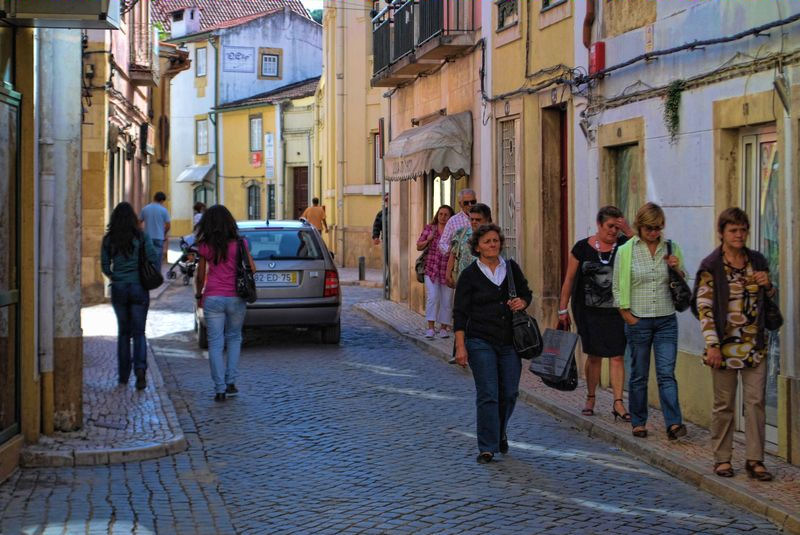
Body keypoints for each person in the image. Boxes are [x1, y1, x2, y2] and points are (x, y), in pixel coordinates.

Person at [693, 208, 775, 481]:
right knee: (724, 404)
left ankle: (755, 460)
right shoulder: (711, 265)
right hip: (723, 347)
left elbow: (769, 299)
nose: (739, 235)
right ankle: (723, 458)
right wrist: (712, 345)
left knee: (756, 402)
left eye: (743, 230)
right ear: (722, 233)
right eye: (733, 230)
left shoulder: (757, 260)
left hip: (754, 345)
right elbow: (704, 308)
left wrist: (769, 285)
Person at [454, 224, 532, 464]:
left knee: (509, 393)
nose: (493, 245)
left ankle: (499, 431)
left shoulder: (510, 269)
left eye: (496, 241)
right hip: (480, 340)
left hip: (509, 342)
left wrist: (523, 302)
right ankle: (487, 446)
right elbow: (459, 313)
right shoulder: (469, 275)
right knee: (488, 393)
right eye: (487, 241)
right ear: (478, 247)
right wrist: (460, 346)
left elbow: (526, 293)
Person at [613, 202, 687, 440]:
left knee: (666, 373)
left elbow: (682, 281)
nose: (654, 233)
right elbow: (617, 284)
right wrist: (626, 314)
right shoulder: (627, 250)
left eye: (657, 228)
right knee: (639, 374)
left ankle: (674, 424)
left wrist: (677, 268)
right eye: (649, 229)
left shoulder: (671, 247)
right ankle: (638, 421)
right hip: (639, 319)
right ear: (640, 227)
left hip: (666, 319)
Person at [558, 206, 633, 419]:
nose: (613, 232)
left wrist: (627, 230)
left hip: (617, 311)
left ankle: (618, 402)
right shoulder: (582, 248)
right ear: (599, 224)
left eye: (616, 228)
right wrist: (562, 308)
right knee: (594, 356)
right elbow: (570, 279)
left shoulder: (625, 246)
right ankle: (590, 398)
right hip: (588, 312)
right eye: (610, 226)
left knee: (617, 355)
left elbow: (642, 248)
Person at [194, 205, 256, 402]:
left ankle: (219, 389)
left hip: (212, 297)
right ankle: (231, 382)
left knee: (215, 343)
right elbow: (252, 269)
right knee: (234, 338)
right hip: (236, 297)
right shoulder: (240, 243)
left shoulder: (204, 245)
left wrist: (198, 295)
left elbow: (201, 275)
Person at [101, 202, 161, 390]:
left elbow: (104, 265)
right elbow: (152, 256)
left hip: (119, 287)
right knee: (139, 332)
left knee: (123, 333)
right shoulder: (141, 237)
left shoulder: (109, 239)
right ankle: (140, 371)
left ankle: (123, 375)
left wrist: (116, 275)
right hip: (138, 288)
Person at [416, 205, 455, 338]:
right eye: (441, 214)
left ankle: (444, 327)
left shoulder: (453, 230)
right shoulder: (430, 228)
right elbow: (418, 245)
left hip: (447, 270)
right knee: (433, 297)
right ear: (437, 215)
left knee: (447, 299)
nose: (443, 217)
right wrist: (429, 239)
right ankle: (431, 327)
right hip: (431, 269)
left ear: (450, 217)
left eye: (446, 215)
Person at [446, 203, 492, 289]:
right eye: (472, 219)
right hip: (463, 282)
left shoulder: (494, 237)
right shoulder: (461, 233)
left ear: (487, 219)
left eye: (478, 220)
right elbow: (453, 254)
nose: (474, 222)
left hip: (486, 283)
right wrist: (448, 274)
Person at [438, 189, 477, 255]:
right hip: (460, 261)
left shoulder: (483, 217)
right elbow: (442, 243)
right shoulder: (453, 221)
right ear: (460, 204)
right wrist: (453, 251)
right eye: (466, 203)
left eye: (473, 202)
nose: (470, 205)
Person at [140, 192, 171, 265]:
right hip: (159, 237)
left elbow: (139, 222)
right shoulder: (164, 210)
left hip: (147, 238)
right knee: (157, 261)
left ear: (154, 198)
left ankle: (148, 274)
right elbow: (168, 225)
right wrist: (164, 233)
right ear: (162, 201)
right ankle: (156, 275)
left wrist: (141, 233)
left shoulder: (145, 209)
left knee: (147, 259)